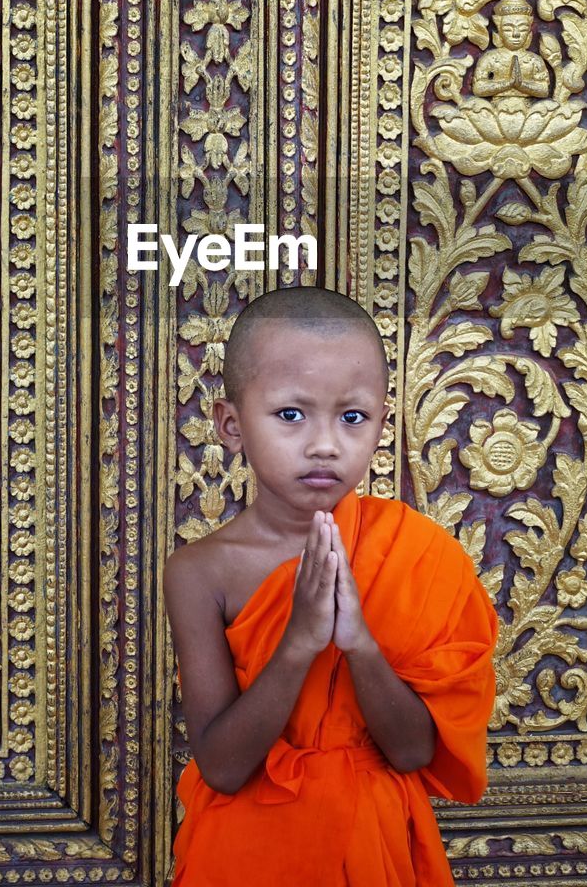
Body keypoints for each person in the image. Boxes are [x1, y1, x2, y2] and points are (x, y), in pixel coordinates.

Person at [163, 286, 498, 886]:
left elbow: (415, 753)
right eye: (291, 414)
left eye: (352, 417)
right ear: (231, 425)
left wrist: (360, 645)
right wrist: (299, 642)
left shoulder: (416, 554)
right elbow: (222, 766)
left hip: (375, 847)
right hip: (247, 854)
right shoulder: (199, 571)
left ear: (382, 425)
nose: (324, 443)